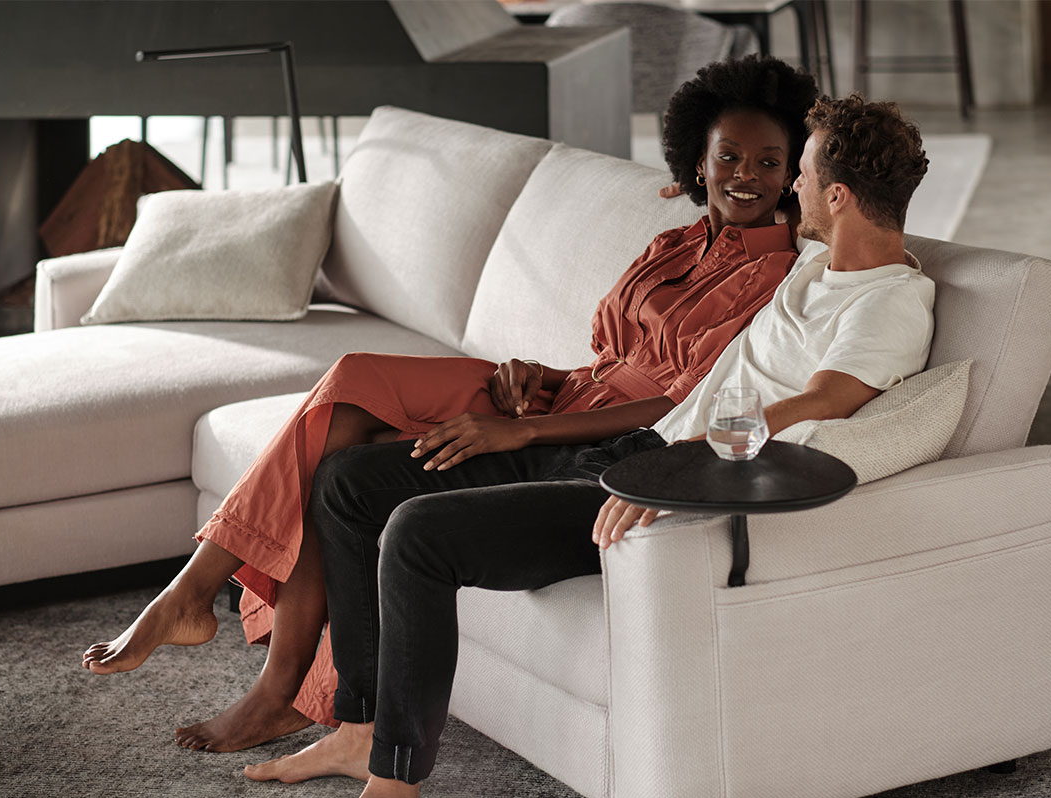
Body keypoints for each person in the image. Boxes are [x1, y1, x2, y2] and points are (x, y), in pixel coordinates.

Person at [80, 54, 819, 754]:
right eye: (730, 156)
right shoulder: (671, 244)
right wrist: (532, 377)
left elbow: (670, 401)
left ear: (791, 176)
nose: (745, 176)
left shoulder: (777, 277)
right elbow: (604, 362)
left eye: (768, 163)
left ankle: (262, 669)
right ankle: (200, 602)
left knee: (342, 466)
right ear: (698, 158)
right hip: (559, 395)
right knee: (351, 382)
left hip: (595, 431)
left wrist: (521, 427)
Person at [242, 93, 933, 798]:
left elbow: (825, 402)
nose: (793, 187)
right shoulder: (817, 267)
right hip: (625, 444)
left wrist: (677, 472)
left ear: (840, 196)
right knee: (348, 481)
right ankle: (358, 729)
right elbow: (756, 216)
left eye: (805, 175)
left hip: (644, 478)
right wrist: (704, 179)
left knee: (417, 532)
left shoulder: (890, 303)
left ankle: (392, 779)